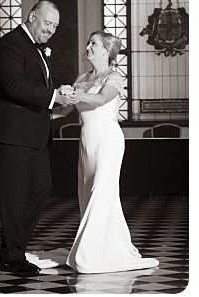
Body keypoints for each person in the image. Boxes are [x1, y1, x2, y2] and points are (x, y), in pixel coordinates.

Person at [0, 0, 79, 276]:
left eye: (55, 26)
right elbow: (13, 85)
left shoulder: (35, 48)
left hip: (34, 135)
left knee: (41, 188)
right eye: (47, 23)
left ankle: (13, 248)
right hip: (9, 136)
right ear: (32, 16)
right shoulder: (9, 45)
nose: (51, 30)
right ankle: (12, 255)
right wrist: (54, 96)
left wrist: (59, 94)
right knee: (13, 197)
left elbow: (35, 86)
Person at [51, 31, 159, 273]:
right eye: (88, 41)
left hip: (108, 140)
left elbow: (100, 100)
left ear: (106, 51)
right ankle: (101, 247)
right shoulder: (82, 77)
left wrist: (74, 94)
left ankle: (92, 255)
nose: (87, 46)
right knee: (87, 193)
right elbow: (65, 112)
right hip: (86, 140)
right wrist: (37, 114)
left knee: (102, 192)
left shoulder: (114, 77)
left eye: (93, 43)